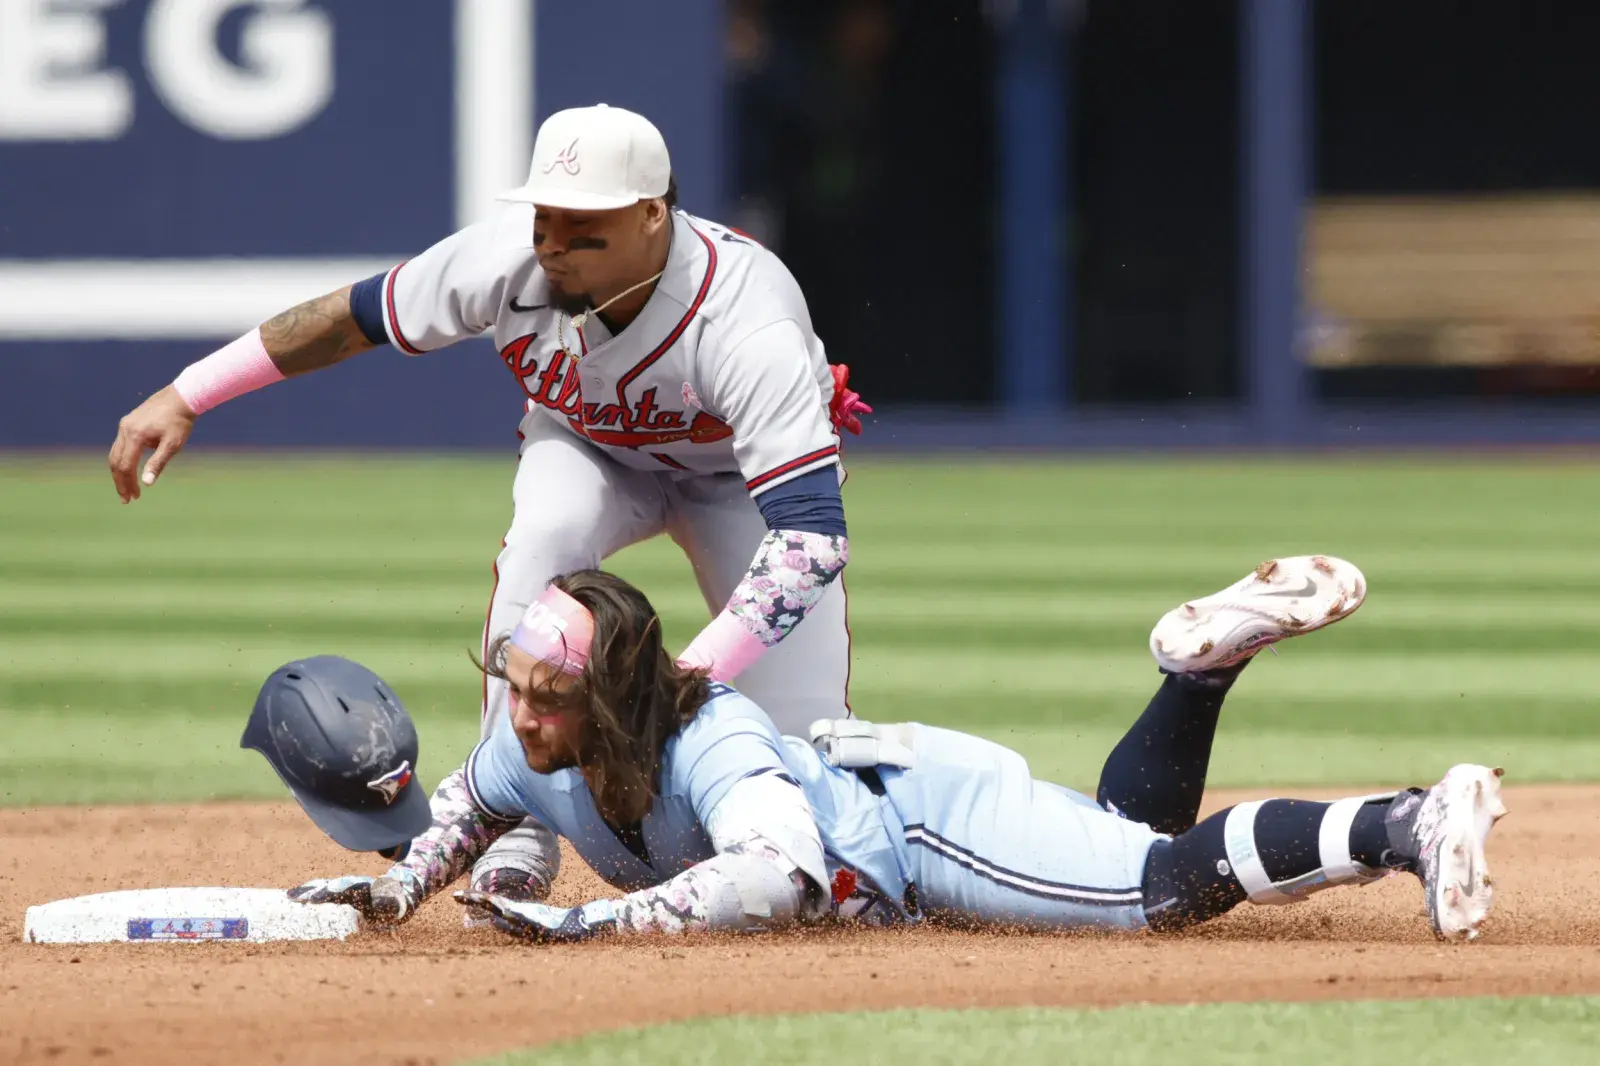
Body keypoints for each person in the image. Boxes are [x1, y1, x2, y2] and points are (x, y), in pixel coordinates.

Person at [106, 103, 872, 918]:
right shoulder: (506, 261)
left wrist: (682, 684)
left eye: (585, 227)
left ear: (655, 215)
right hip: (591, 453)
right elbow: (347, 322)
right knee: (546, 536)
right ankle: (512, 831)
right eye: (546, 217)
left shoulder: (743, 319)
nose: (554, 243)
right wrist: (190, 392)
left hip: (733, 486)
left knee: (807, 741)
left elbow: (810, 539)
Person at [289, 556, 1507, 944]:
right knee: (1125, 842)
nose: (521, 716)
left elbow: (773, 876)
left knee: (1150, 891)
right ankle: (1194, 678)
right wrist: (395, 885)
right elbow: (461, 808)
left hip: (921, 823)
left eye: (547, 696)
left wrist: (590, 923)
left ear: (610, 696)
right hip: (893, 796)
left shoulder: (713, 740)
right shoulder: (532, 744)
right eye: (513, 689)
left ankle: (1403, 821)